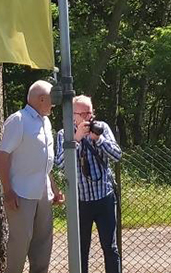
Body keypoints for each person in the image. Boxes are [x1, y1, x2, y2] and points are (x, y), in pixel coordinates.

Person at [0, 80, 64, 273]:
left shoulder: (45, 120)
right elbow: (2, 156)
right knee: (20, 243)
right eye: (51, 100)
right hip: (21, 192)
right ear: (41, 99)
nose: (53, 105)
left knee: (43, 243)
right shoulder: (18, 120)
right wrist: (8, 191)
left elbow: (44, 160)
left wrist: (54, 188)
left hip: (42, 192)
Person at [54, 95, 122, 273]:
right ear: (73, 115)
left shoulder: (102, 128)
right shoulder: (64, 134)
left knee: (110, 247)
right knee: (80, 249)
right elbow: (60, 163)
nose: (87, 118)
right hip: (80, 202)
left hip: (104, 198)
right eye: (82, 114)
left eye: (89, 113)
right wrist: (75, 140)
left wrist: (98, 140)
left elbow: (117, 155)